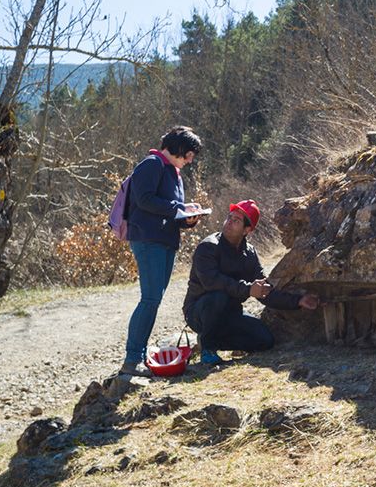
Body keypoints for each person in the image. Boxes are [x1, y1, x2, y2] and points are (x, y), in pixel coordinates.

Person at [183, 199, 320, 365]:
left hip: (230, 314)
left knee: (264, 340)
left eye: (236, 221)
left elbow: (263, 290)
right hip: (199, 312)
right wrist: (248, 290)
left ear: (247, 230)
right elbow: (212, 283)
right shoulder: (208, 247)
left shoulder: (249, 253)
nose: (228, 223)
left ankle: (213, 339)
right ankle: (207, 348)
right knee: (218, 296)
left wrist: (298, 301)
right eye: (229, 217)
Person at [119, 126, 205, 376]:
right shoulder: (152, 164)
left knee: (153, 299)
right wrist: (177, 208)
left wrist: (187, 217)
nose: (190, 160)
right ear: (178, 148)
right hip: (148, 240)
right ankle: (133, 359)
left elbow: (170, 209)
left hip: (165, 240)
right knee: (150, 299)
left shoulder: (173, 173)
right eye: (189, 154)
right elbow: (144, 200)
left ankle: (137, 356)